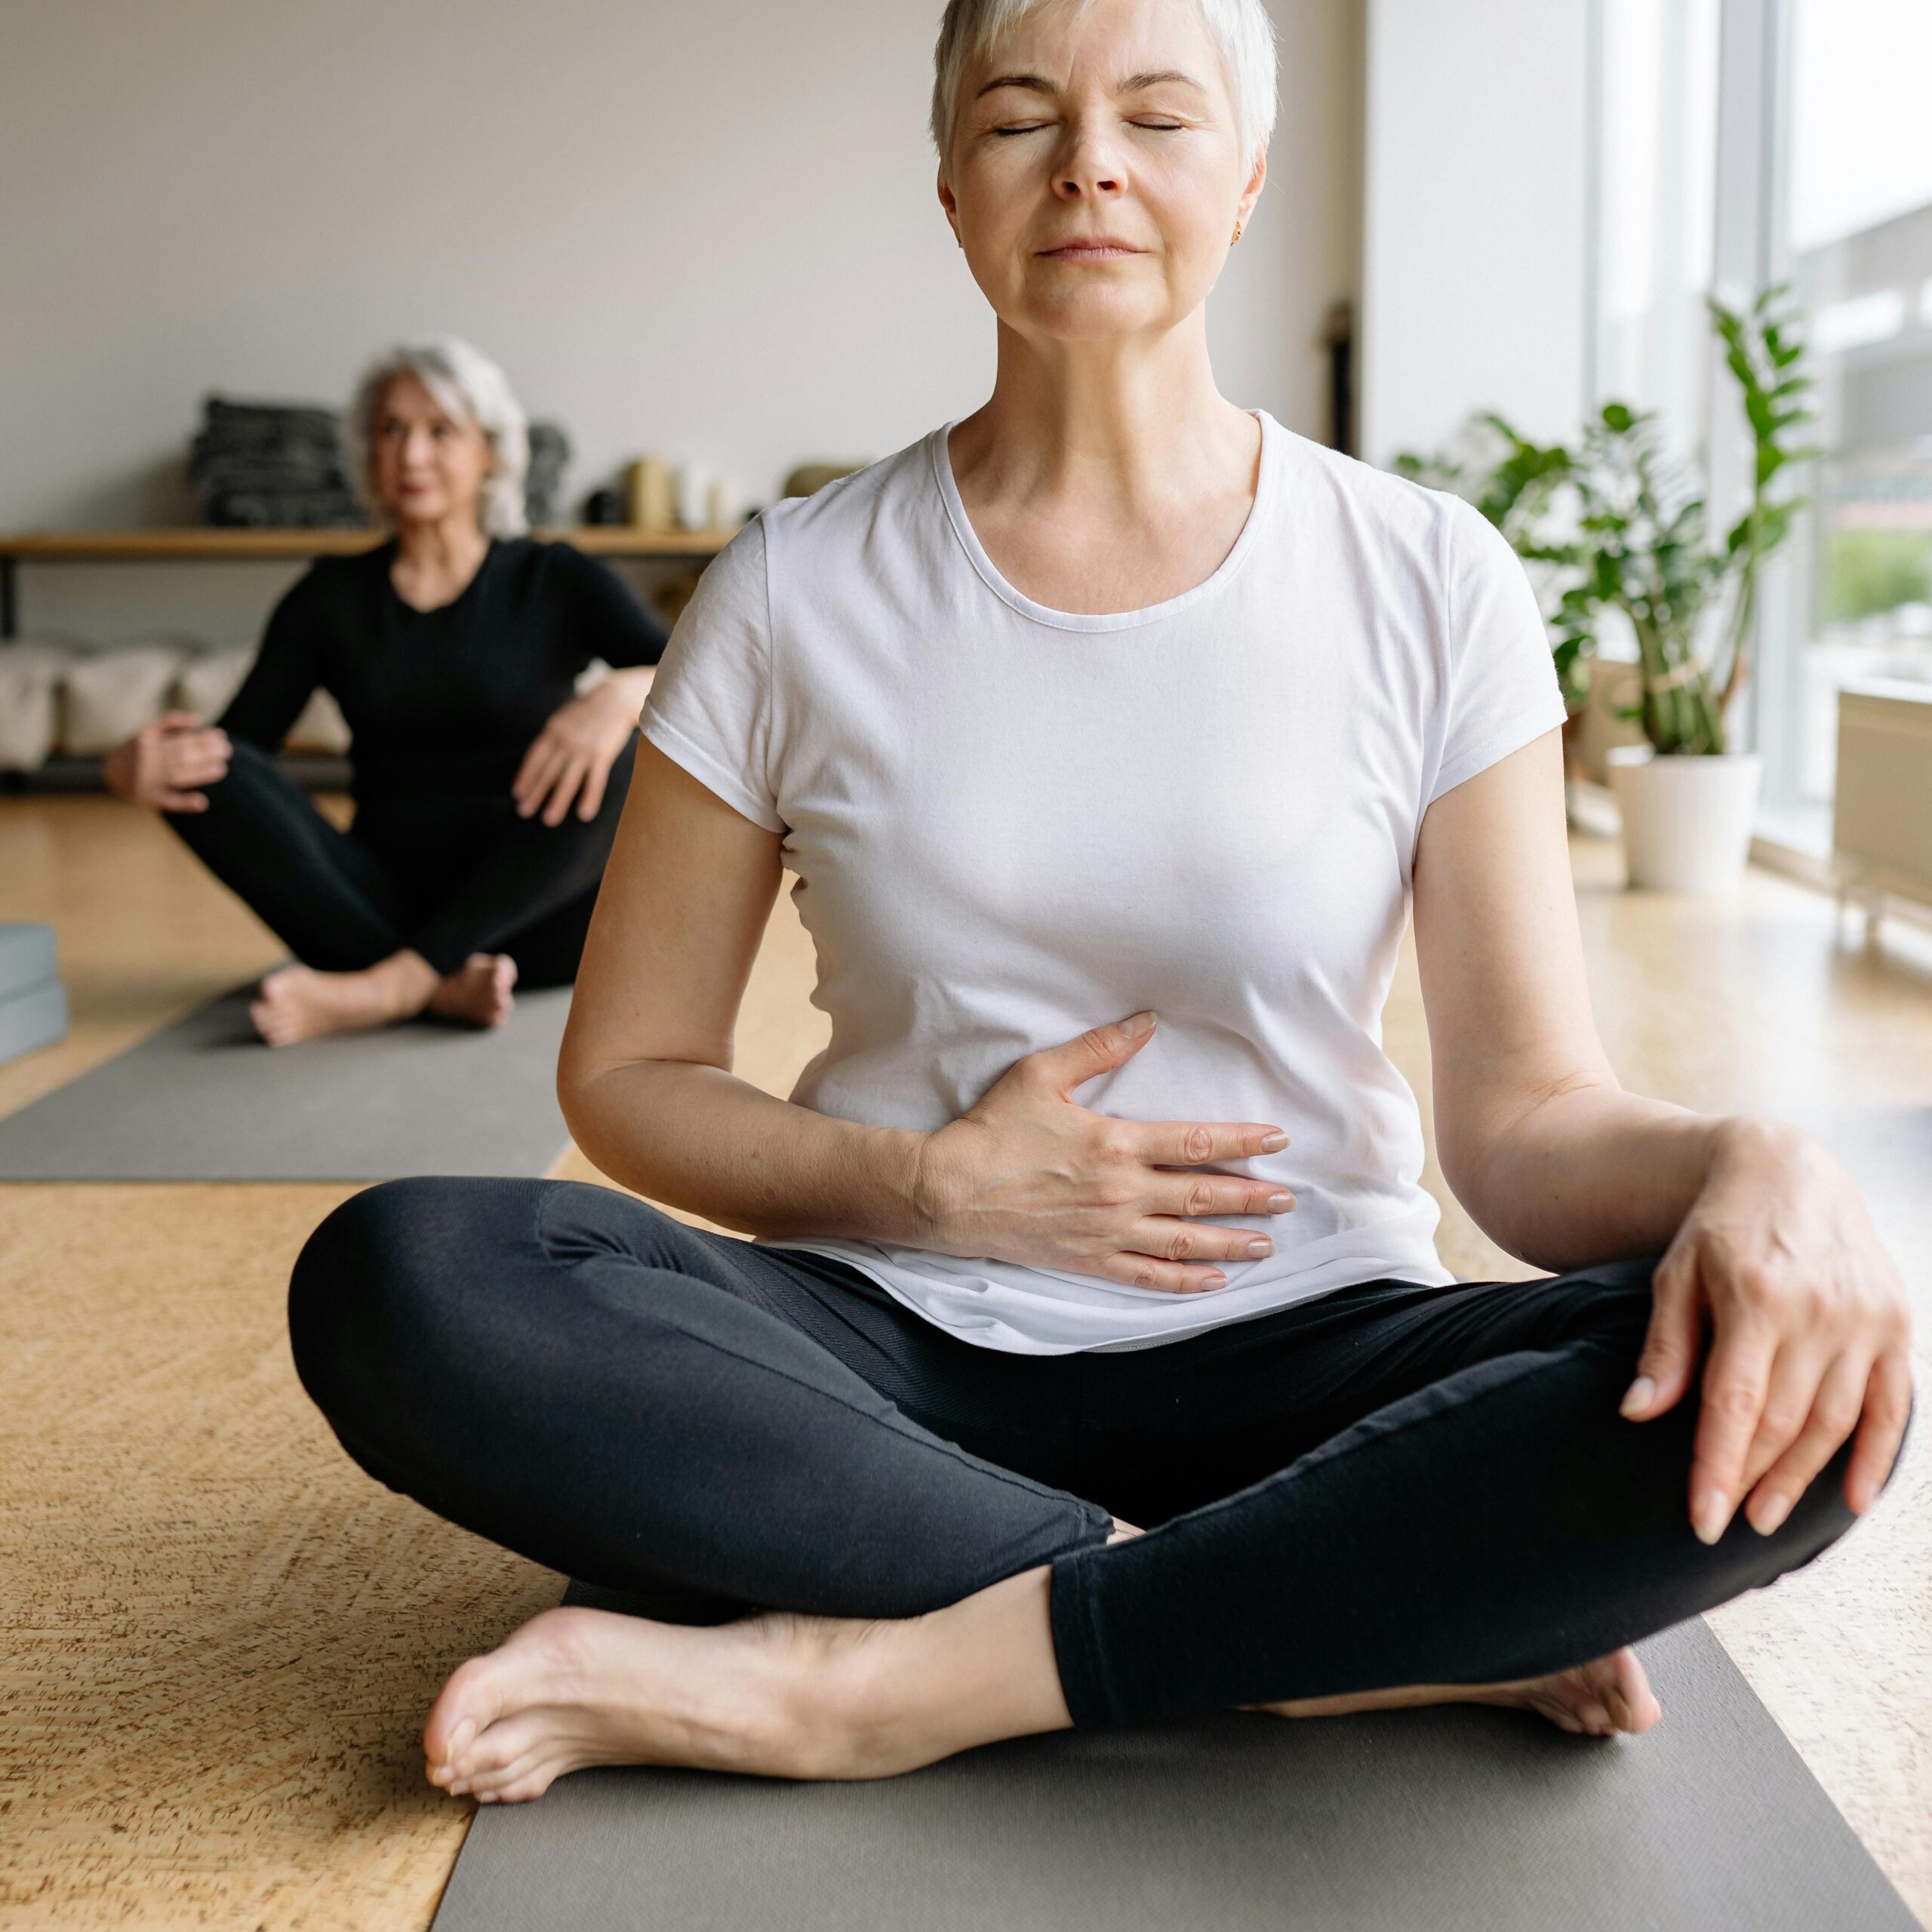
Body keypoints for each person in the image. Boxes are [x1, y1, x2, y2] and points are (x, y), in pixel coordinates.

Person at [288, 0, 1914, 1806]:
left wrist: (1749, 1163)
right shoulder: (790, 584)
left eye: (1155, 113)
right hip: (885, 1353)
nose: (1087, 161)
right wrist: (925, 1184)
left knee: (1803, 1383)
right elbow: (629, 1072)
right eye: (1018, 116)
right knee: (409, 1273)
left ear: (1244, 177)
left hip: (1317, 1347)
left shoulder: (1428, 574)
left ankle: (886, 1683)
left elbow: (1521, 1126)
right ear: (950, 186)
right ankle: (1302, 1637)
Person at [103, 338, 669, 1046]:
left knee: (646, 741)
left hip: (537, 917)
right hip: (376, 903)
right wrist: (129, 770)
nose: (412, 454)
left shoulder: (553, 577)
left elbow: (699, 678)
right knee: (203, 764)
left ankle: (392, 986)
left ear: (490, 452)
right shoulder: (328, 597)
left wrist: (619, 695)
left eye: (441, 431)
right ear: (367, 452)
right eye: (390, 430)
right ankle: (436, 980)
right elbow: (236, 752)